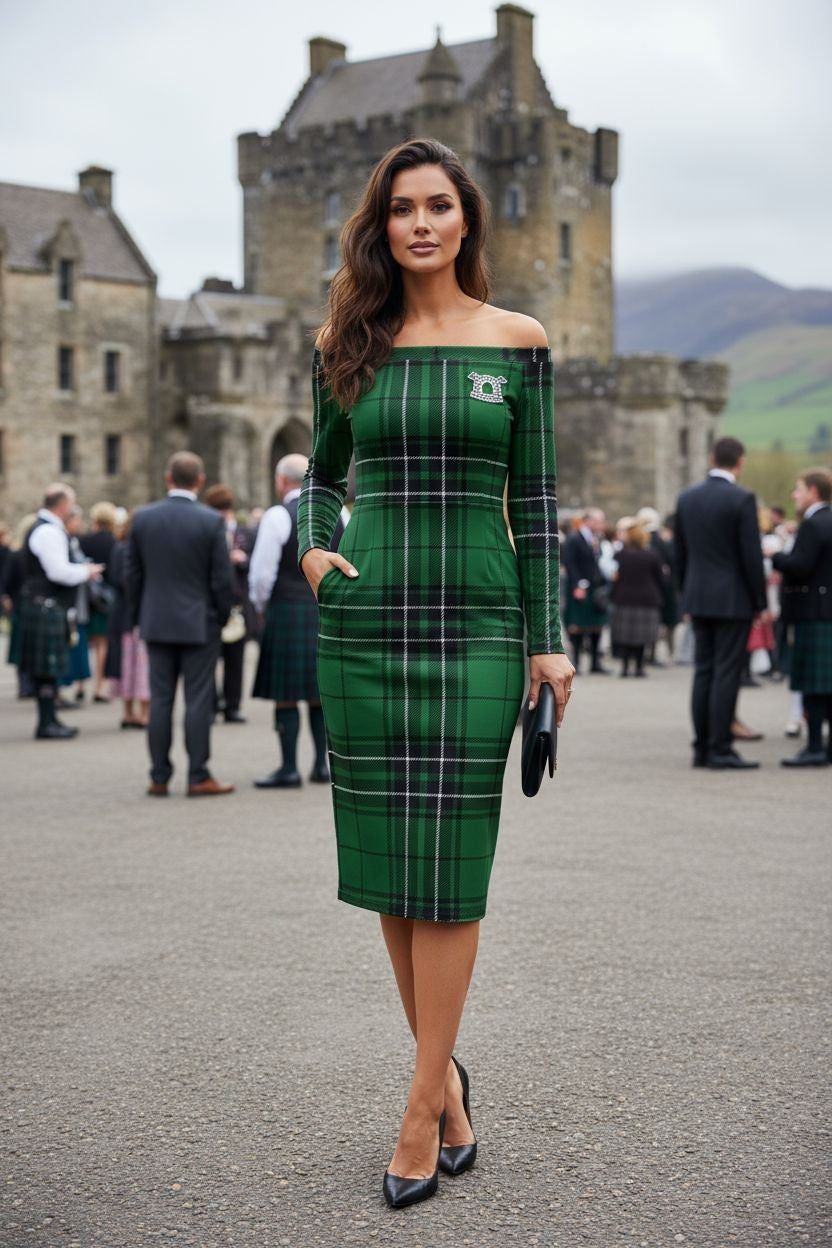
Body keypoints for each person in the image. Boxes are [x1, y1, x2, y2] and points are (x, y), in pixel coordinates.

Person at [296, 137, 574, 1209]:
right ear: (381, 225)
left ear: (467, 222)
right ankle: (449, 1089)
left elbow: (540, 505)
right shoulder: (344, 342)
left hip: (479, 631)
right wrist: (319, 559)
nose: (419, 223)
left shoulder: (518, 343)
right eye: (401, 208)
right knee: (393, 877)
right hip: (365, 625)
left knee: (451, 871)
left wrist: (547, 637)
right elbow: (318, 480)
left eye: (438, 206)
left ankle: (418, 1108)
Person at [125, 451, 234, 796]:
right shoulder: (211, 521)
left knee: (160, 701)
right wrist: (222, 615)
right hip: (199, 622)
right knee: (198, 700)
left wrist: (139, 614)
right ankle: (198, 774)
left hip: (156, 620)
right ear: (199, 481)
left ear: (167, 478)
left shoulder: (142, 519)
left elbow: (131, 575)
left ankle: (159, 776)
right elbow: (222, 578)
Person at [249, 454, 346, 787]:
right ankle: (322, 766)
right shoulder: (340, 513)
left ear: (281, 481)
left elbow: (262, 574)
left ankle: (289, 768)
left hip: (287, 608)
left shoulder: (277, 516)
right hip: (326, 609)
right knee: (321, 691)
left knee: (286, 693)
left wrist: (262, 607)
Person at [674, 436, 768, 769]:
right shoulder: (741, 499)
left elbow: (679, 554)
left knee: (704, 672)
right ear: (739, 462)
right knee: (726, 673)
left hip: (698, 596)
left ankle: (701, 747)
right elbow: (751, 558)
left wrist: (685, 593)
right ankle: (720, 748)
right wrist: (760, 601)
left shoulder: (686, 498)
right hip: (733, 599)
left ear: (713, 458)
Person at [17, 485, 104, 739]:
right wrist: (86, 571)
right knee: (46, 668)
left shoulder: (46, 528)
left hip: (45, 604)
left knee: (48, 668)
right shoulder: (48, 531)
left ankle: (50, 719)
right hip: (46, 604)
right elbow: (58, 571)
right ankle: (46, 723)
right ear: (63, 505)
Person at [772, 468, 832, 766]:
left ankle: (814, 748)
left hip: (813, 612)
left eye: (799, 489)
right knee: (829, 686)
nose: (795, 495)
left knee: (814, 686)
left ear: (813, 491)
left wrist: (776, 555)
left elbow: (800, 566)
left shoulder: (812, 524)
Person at [203, 484, 256, 724]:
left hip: (238, 604)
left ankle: (232, 706)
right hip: (212, 604)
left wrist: (243, 561)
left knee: (236, 659)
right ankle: (211, 705)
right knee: (209, 658)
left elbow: (258, 565)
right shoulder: (205, 532)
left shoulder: (246, 533)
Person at [106, 513, 150, 729]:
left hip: (121, 613)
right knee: (140, 665)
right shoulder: (136, 550)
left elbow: (114, 579)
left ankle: (127, 712)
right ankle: (144, 713)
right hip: (137, 613)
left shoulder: (118, 548)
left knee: (126, 664)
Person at [610, 520, 666, 677]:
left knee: (626, 636)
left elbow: (614, 576)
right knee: (642, 637)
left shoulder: (621, 555)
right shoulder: (652, 555)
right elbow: (661, 578)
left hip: (624, 598)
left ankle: (625, 667)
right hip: (647, 599)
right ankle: (639, 667)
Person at [563, 509, 611, 674]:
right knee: (578, 627)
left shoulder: (596, 538)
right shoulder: (574, 539)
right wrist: (578, 585)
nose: (601, 525)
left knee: (596, 626)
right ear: (587, 521)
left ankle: (595, 663)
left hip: (595, 589)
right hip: (580, 588)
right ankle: (576, 662)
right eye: (598, 521)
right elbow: (570, 564)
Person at [80, 501, 118, 702]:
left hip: (86, 596)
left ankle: (79, 684)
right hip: (105, 598)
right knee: (102, 644)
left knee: (85, 640)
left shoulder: (85, 541)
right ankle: (99, 686)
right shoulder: (114, 542)